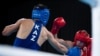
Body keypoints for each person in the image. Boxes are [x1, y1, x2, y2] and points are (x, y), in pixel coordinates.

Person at [2, 4, 68, 54]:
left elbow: (5, 32)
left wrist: (17, 27)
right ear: (46, 16)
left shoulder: (23, 21)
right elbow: (61, 48)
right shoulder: (47, 33)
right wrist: (72, 52)